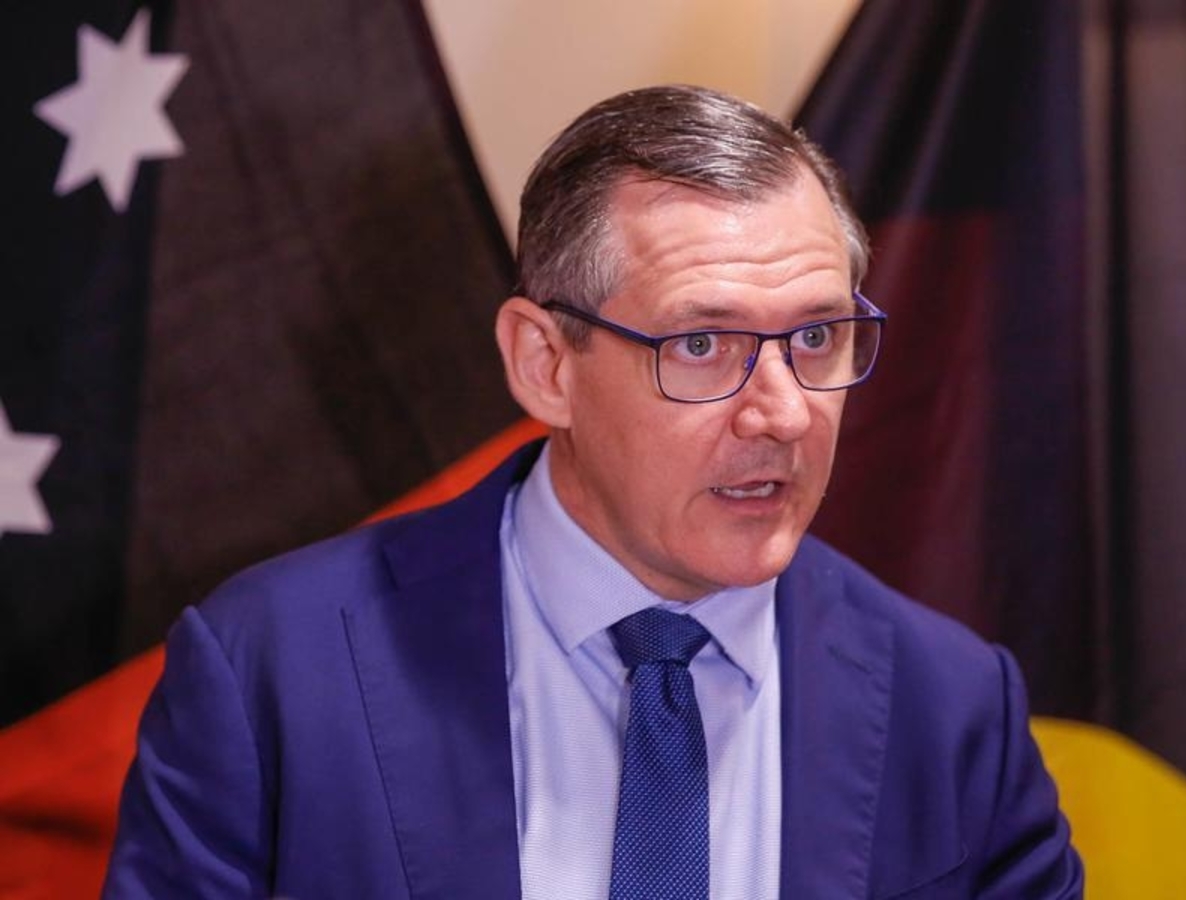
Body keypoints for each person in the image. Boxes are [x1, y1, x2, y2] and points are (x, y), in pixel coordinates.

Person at [102, 85, 1083, 899]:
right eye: (703, 344)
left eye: (817, 337)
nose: (785, 413)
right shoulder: (271, 671)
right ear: (544, 365)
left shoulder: (954, 707)